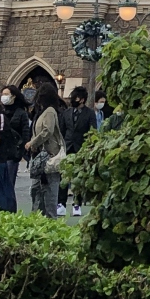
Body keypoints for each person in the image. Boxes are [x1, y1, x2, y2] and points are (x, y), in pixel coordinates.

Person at [25, 79, 64, 218]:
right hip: (40, 157)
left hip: (49, 156)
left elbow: (47, 131)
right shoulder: (42, 112)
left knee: (49, 192)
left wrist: (32, 143)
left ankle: (50, 219)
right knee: (36, 189)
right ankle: (37, 217)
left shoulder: (50, 111)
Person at [58, 87, 96, 216]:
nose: (74, 100)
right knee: (63, 176)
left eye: (76, 98)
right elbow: (62, 131)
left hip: (81, 148)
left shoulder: (89, 113)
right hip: (67, 147)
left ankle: (77, 204)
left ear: (83, 100)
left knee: (78, 178)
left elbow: (92, 131)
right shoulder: (66, 113)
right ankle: (61, 204)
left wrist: (89, 147)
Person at [0, 83, 32, 208]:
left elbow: (25, 132)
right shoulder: (0, 112)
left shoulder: (21, 113)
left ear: (14, 97)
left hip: (13, 152)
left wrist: (23, 151)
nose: (4, 97)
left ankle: (10, 208)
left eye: (7, 94)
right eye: (3, 94)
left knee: (9, 182)